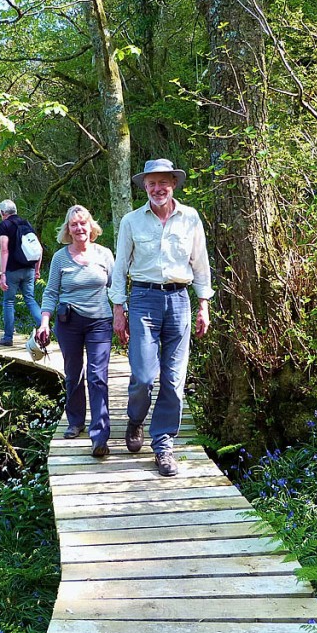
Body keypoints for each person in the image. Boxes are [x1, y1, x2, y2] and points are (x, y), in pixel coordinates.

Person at [110, 159, 214, 477]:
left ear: (174, 184)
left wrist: (203, 304)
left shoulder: (190, 219)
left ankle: (164, 444)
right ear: (145, 187)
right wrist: (118, 308)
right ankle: (135, 418)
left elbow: (200, 264)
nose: (158, 189)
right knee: (143, 376)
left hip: (179, 300)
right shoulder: (131, 221)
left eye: (163, 182)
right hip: (143, 299)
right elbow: (120, 267)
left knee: (173, 379)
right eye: (152, 183)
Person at [36, 205, 115, 457]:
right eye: (74, 225)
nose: (79, 228)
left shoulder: (104, 254)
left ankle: (99, 435)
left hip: (100, 321)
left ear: (91, 226)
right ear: (68, 230)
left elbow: (116, 289)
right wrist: (44, 321)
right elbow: (50, 292)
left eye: (83, 223)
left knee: (97, 375)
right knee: (73, 373)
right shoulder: (60, 257)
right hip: (68, 322)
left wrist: (123, 317)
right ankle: (76, 421)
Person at [0, 199, 43, 346]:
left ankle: (8, 338)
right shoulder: (26, 224)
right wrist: (37, 269)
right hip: (29, 268)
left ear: (2, 213)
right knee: (30, 299)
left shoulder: (4, 225)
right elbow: (38, 248)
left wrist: (2, 274)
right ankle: (46, 327)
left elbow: (4, 249)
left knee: (9, 302)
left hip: (12, 270)